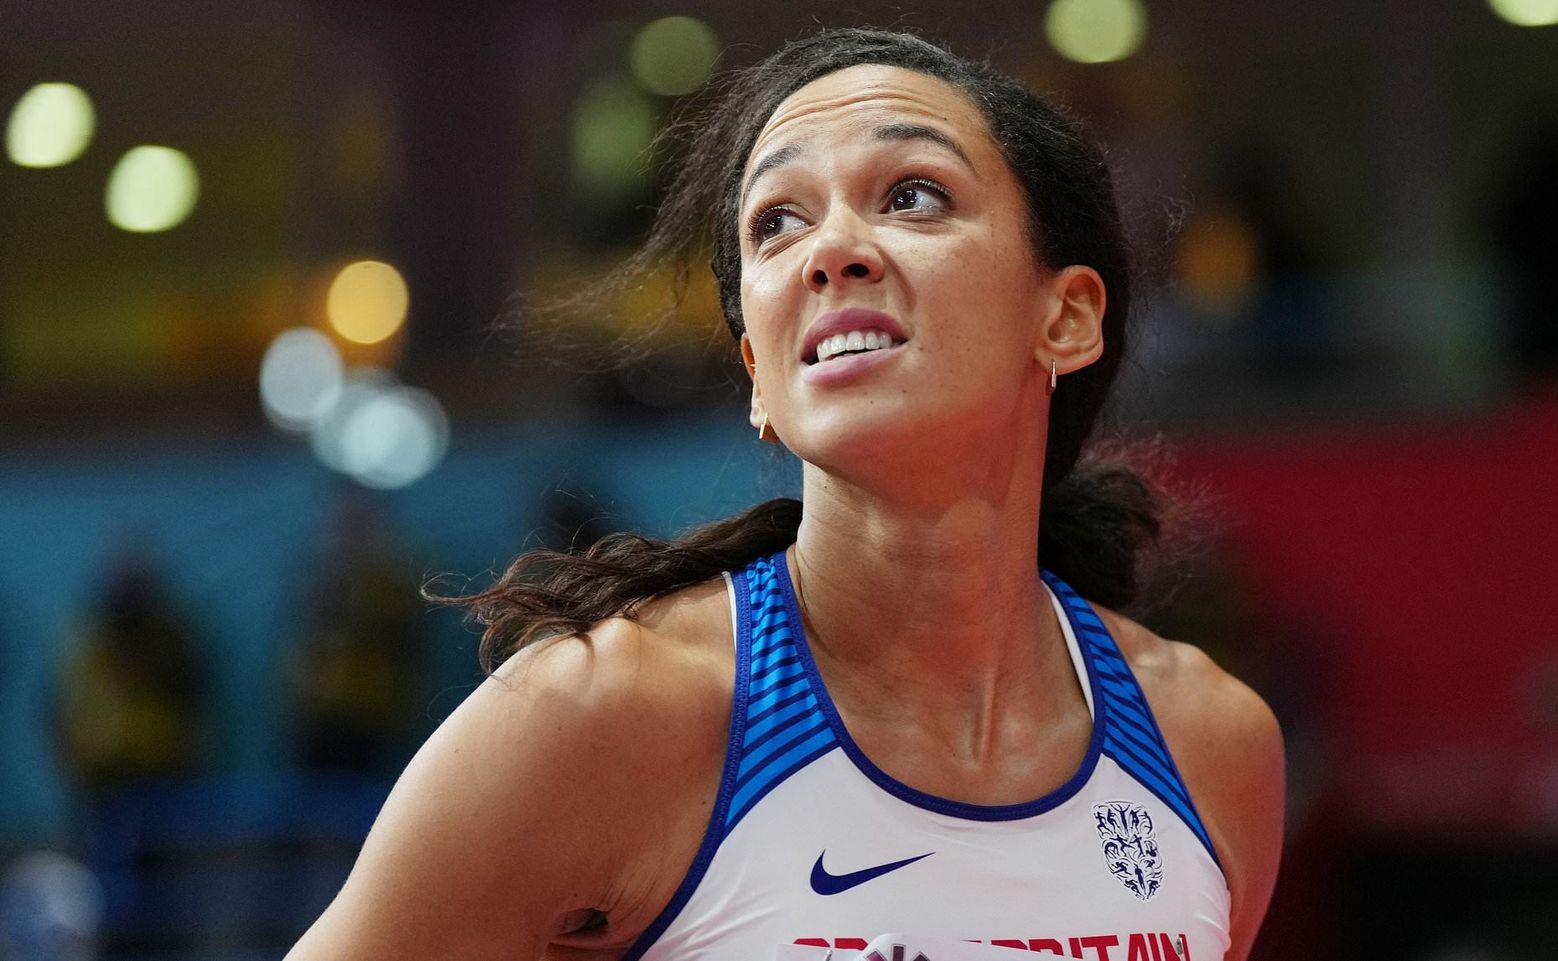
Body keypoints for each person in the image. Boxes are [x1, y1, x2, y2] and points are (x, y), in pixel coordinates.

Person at [286, 27, 1284, 961]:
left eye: (913, 196)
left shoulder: (1211, 745)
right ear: (758, 370)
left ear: (1063, 316)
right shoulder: (602, 713)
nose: (830, 249)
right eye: (777, 221)